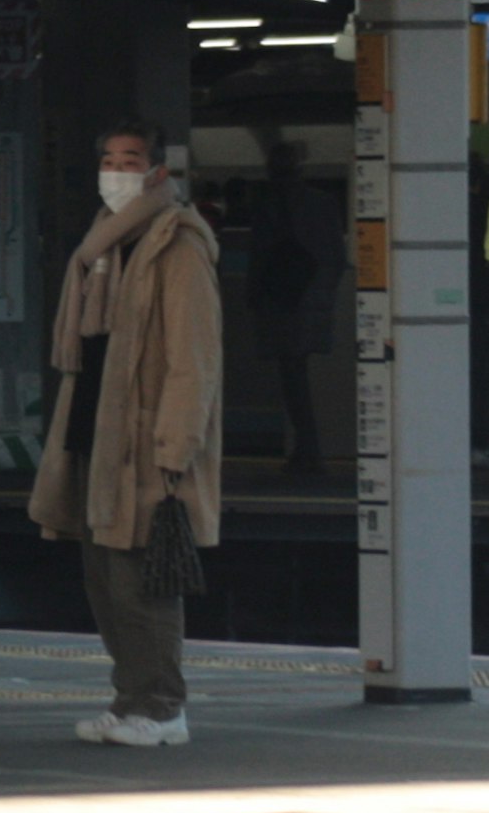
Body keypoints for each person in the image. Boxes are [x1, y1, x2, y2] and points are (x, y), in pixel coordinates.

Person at [30, 121, 225, 747]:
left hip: (145, 442)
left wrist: (175, 446)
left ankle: (164, 708)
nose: (116, 170)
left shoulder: (177, 246)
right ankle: (130, 697)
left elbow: (193, 358)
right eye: (108, 158)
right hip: (96, 431)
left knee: (143, 580)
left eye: (131, 159)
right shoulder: (104, 244)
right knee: (104, 579)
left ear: (158, 172)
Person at [247, 142, 340, 478]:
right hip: (308, 297)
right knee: (296, 373)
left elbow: (260, 256)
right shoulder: (322, 204)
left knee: (292, 376)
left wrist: (255, 294)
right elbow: (334, 256)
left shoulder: (268, 204)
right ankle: (308, 449)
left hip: (282, 300)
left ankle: (308, 449)